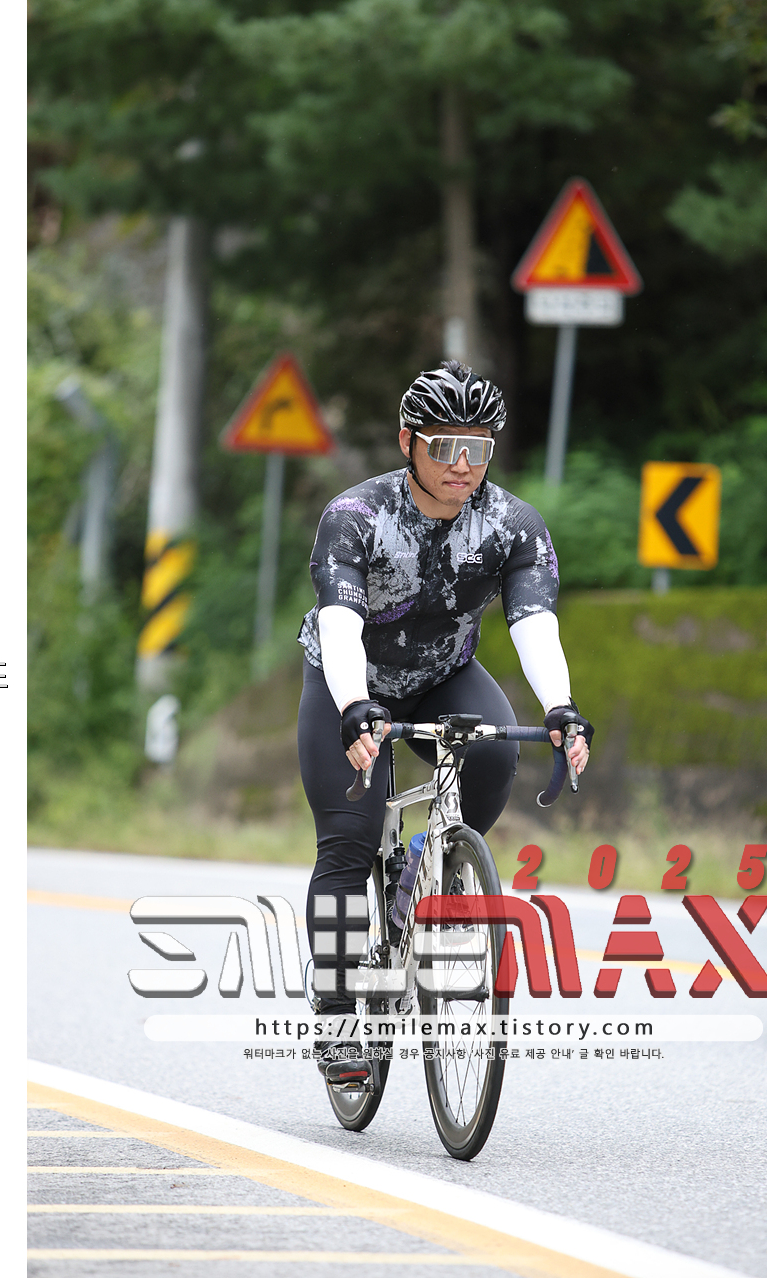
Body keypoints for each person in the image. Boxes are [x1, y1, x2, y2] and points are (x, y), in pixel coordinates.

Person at [296, 360, 593, 1083]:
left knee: (494, 754)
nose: (463, 465)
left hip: (442, 676)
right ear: (408, 443)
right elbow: (340, 625)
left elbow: (534, 624)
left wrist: (560, 706)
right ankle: (338, 1014)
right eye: (445, 447)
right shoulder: (355, 517)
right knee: (349, 841)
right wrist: (353, 706)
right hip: (351, 680)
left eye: (478, 448)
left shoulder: (513, 526)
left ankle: (434, 860)